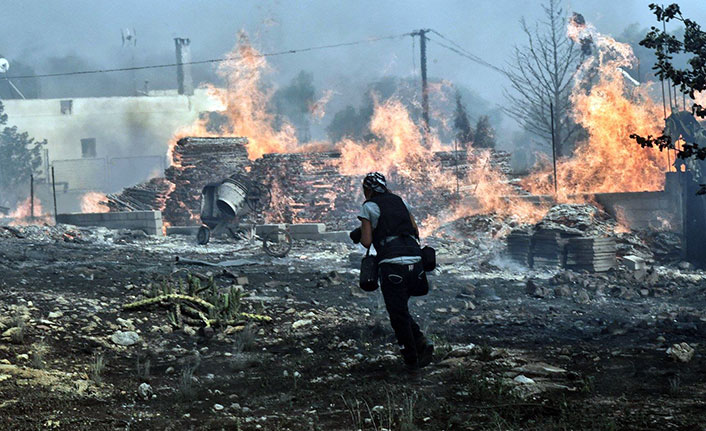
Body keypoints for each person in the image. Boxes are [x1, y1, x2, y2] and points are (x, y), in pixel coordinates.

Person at [350, 172, 434, 371]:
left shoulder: (369, 207)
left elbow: (367, 241)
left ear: (368, 189)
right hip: (416, 261)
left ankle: (412, 360)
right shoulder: (400, 201)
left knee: (397, 315)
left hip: (392, 265)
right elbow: (415, 229)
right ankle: (421, 342)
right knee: (400, 310)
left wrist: (362, 230)